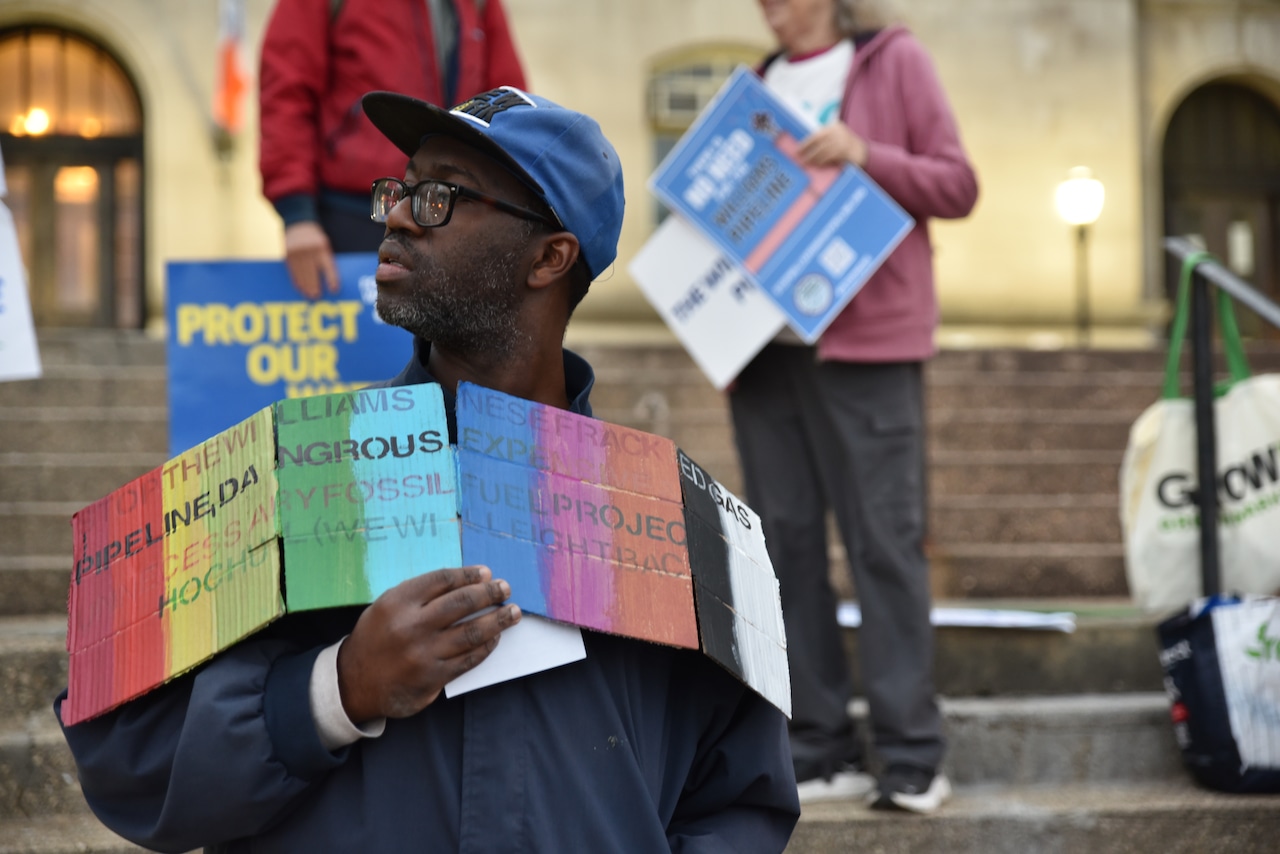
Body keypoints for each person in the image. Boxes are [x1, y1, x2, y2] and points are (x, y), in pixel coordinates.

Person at [55, 86, 800, 852]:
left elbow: (743, 799)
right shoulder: (291, 467)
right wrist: (336, 690)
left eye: (442, 195)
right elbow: (126, 756)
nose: (401, 214)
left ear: (551, 257)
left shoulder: (672, 518)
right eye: (402, 188)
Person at [730, 0, 978, 812]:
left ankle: (911, 755)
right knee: (787, 550)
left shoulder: (893, 62)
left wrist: (864, 153)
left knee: (884, 546)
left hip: (867, 346)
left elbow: (957, 183)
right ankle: (819, 745)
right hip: (766, 355)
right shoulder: (755, 86)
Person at [259, 0, 526, 299]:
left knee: (443, 339)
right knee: (367, 341)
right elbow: (286, 93)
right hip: (354, 215)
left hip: (451, 212)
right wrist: (299, 217)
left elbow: (507, 105)